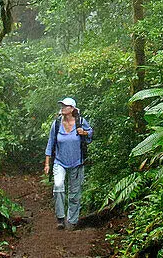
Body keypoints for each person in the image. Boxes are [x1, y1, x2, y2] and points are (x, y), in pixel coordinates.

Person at [43, 97, 93, 230]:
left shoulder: (80, 122)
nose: (63, 108)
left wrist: (85, 132)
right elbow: (50, 143)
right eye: (62, 106)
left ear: (72, 109)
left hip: (77, 162)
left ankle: (72, 221)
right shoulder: (57, 124)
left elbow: (90, 135)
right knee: (58, 186)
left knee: (74, 193)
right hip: (60, 162)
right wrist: (47, 163)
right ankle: (60, 217)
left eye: (65, 106)